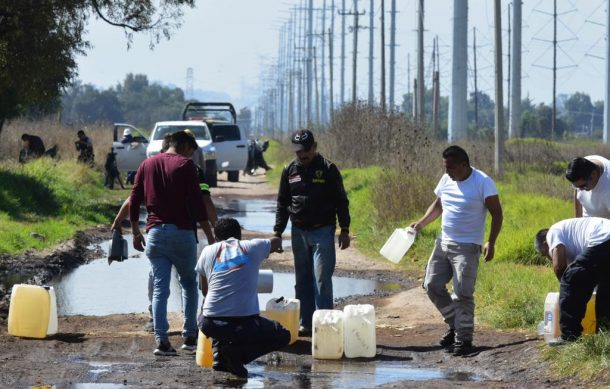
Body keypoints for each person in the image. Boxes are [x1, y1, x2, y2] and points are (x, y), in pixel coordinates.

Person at [410, 145, 503, 356]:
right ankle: (456, 326)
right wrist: (421, 224)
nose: (447, 172)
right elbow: (438, 205)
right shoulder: (446, 180)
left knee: (462, 293)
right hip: (443, 243)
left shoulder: (483, 182)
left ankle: (464, 340)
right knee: (431, 285)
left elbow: (497, 214)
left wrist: (491, 242)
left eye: (451, 167)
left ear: (464, 165)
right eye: (445, 167)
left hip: (468, 247)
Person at [129, 130, 214, 356]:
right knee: (188, 284)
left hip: (155, 234)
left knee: (160, 288)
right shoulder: (185, 166)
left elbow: (134, 199)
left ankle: (162, 341)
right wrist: (211, 236)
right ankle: (189, 337)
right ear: (185, 146)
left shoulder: (147, 165)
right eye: (191, 151)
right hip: (182, 234)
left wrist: (136, 232)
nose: (191, 156)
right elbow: (198, 205)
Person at [273, 129, 351, 335]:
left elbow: (341, 201)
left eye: (306, 150)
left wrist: (344, 228)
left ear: (314, 147)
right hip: (298, 231)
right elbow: (282, 203)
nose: (303, 155)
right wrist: (277, 233)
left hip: (323, 231)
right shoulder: (289, 170)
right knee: (302, 279)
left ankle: (326, 324)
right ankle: (305, 323)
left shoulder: (328, 169)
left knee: (321, 278)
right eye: (299, 151)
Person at [196, 217, 289, 378]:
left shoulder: (207, 251)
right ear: (239, 235)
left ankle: (220, 358)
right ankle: (237, 355)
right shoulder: (252, 246)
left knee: (212, 306)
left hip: (209, 323)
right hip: (245, 324)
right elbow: (276, 241)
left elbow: (205, 290)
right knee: (283, 334)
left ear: (216, 237)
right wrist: (276, 246)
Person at [534, 217, 610, 341]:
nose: (548, 258)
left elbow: (559, 267)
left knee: (570, 279)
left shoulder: (553, 232)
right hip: (605, 241)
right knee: (605, 291)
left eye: (545, 254)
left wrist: (567, 289)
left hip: (603, 238)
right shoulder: (571, 238)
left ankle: (569, 336)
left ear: (545, 244)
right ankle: (605, 335)